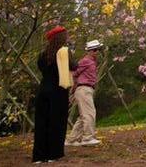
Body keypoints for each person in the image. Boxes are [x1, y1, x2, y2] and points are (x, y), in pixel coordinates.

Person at [32, 25, 75, 164]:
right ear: (61, 38)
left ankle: (39, 156)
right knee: (56, 122)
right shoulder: (63, 52)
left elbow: (41, 69)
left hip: (43, 90)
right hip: (58, 91)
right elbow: (74, 66)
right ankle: (53, 154)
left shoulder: (42, 55)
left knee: (41, 123)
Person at [66, 39, 103, 147]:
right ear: (89, 51)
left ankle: (71, 140)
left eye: (98, 50)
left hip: (87, 89)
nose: (97, 52)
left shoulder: (92, 61)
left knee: (83, 116)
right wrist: (73, 89)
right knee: (89, 113)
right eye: (95, 50)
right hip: (83, 88)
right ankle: (88, 138)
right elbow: (74, 73)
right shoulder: (86, 61)